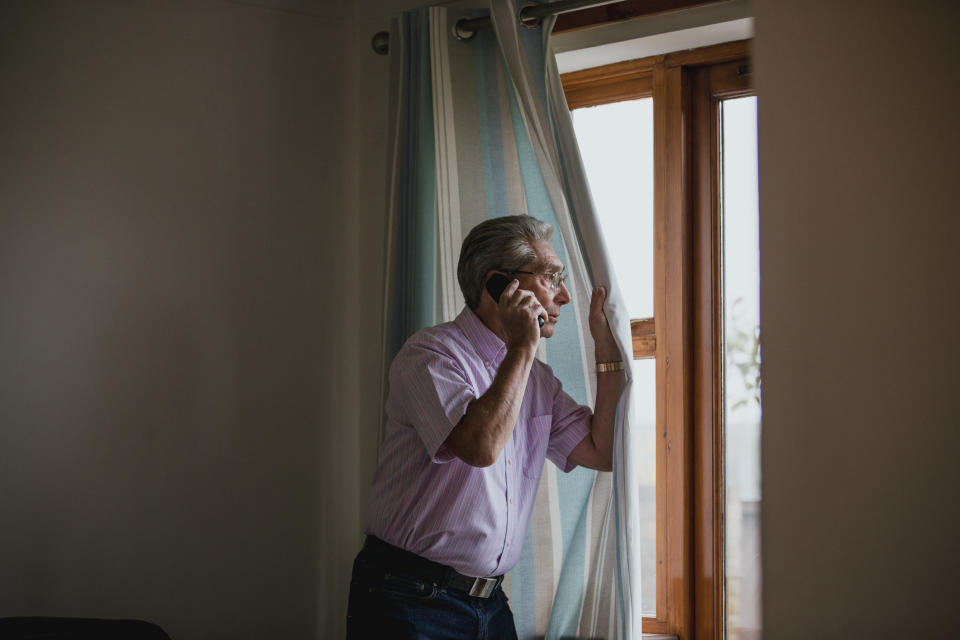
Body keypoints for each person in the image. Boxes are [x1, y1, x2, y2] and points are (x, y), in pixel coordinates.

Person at [346, 215, 625, 639]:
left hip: (489, 607)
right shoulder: (431, 355)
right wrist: (522, 345)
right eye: (552, 278)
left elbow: (603, 451)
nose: (565, 296)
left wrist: (606, 344)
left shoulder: (538, 382)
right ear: (500, 285)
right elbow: (480, 446)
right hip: (409, 598)